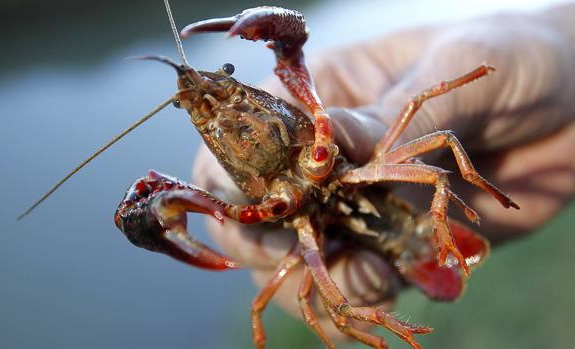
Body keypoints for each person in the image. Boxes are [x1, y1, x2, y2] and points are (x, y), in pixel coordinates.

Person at [192, 2, 575, 338]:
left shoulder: (317, 130)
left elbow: (428, 115)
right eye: (198, 114)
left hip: (386, 193)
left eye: (227, 78)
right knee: (321, 303)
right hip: (332, 232)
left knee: (436, 139)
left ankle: (438, 229)